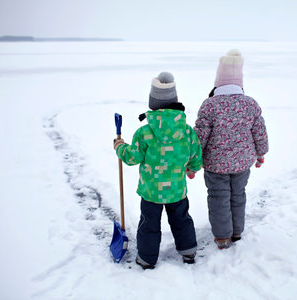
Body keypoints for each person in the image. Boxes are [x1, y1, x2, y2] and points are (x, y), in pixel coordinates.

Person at [114, 72, 202, 269]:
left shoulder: (144, 132)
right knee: (181, 220)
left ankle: (146, 258)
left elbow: (131, 157)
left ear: (152, 103)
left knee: (149, 225)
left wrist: (119, 146)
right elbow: (196, 154)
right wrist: (192, 168)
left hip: (151, 191)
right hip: (177, 189)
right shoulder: (187, 131)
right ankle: (188, 251)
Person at [194, 49, 269, 249]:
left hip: (215, 164)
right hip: (242, 163)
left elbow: (199, 136)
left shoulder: (209, 105)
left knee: (219, 198)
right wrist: (261, 153)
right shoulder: (250, 104)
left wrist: (193, 160)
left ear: (217, 82)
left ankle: (222, 237)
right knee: (238, 195)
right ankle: (236, 231)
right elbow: (260, 132)